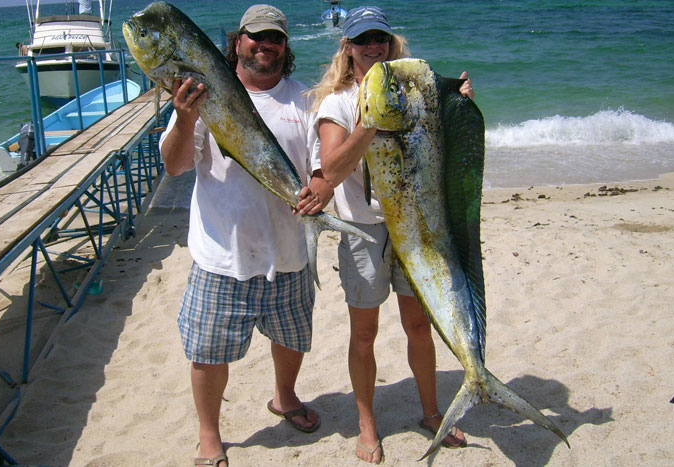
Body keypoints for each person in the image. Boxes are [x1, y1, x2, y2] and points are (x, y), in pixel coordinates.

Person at [301, 6, 473, 464]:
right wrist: (371, 121)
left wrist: (458, 105)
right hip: (363, 230)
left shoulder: (416, 92)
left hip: (414, 227)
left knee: (419, 325)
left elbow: (445, 151)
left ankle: (432, 412)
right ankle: (366, 422)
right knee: (365, 333)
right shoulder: (336, 103)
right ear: (348, 49)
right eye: (362, 41)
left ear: (391, 43)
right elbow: (331, 172)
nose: (373, 47)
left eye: (380, 39)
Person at [159, 5, 324, 466]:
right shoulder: (200, 93)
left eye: (274, 39)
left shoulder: (304, 100)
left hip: (289, 252)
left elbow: (318, 167)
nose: (264, 45)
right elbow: (174, 165)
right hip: (221, 257)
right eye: (255, 37)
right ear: (237, 42)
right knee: (209, 353)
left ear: (285, 48)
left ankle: (285, 398)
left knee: (291, 338)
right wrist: (186, 117)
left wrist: (317, 190)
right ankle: (209, 434)